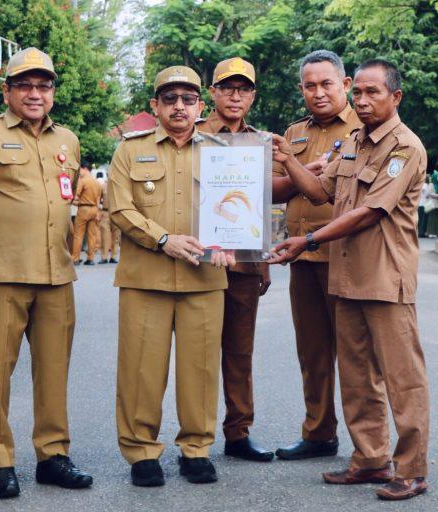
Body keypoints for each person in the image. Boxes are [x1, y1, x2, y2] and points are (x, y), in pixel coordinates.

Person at [271, 58, 430, 501]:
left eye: (372, 92)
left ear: (395, 97)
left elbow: (369, 212)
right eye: (357, 92)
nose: (361, 100)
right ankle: (370, 460)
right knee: (357, 378)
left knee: (403, 379)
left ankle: (412, 469)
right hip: (346, 277)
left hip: (385, 278)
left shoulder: (404, 147)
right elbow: (319, 191)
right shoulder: (354, 142)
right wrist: (288, 160)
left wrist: (308, 240)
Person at [0, 47, 93, 500]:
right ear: (7, 91)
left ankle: (53, 456)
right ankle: (0, 461)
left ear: (53, 93)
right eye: (24, 85)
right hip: (1, 276)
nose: (34, 94)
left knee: (54, 371)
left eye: (43, 86)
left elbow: (64, 199)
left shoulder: (67, 140)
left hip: (56, 275)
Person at [108, 65, 235, 487]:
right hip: (146, 278)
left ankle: (196, 448)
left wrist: (234, 240)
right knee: (141, 371)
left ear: (200, 106)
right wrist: (163, 239)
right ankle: (142, 452)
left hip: (205, 278)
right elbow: (120, 208)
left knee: (201, 369)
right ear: (155, 105)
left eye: (188, 99)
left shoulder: (221, 152)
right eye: (169, 99)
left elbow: (238, 206)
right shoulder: (130, 150)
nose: (179, 106)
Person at [271, 49, 363, 461]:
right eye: (310, 86)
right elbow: (272, 188)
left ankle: (368, 445)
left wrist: (299, 172)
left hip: (347, 258)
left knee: (356, 356)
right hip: (303, 260)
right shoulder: (293, 133)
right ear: (301, 89)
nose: (319, 92)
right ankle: (319, 433)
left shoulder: (365, 128)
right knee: (312, 353)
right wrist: (302, 170)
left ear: (345, 84)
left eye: (327, 83)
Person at [195, 57, 273, 462]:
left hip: (243, 264)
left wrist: (263, 262)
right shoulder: (192, 136)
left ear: (253, 95)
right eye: (227, 87)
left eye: (243, 89)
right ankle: (196, 435)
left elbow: (261, 202)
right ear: (213, 92)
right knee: (200, 353)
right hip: (202, 261)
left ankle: (238, 432)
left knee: (240, 352)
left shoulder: (261, 143)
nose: (235, 95)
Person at [70, 159, 101, 265]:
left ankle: (75, 258)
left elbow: (75, 196)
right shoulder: (96, 182)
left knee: (78, 234)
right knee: (92, 235)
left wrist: (72, 202)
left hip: (84, 209)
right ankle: (90, 258)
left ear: (83, 169)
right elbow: (98, 199)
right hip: (94, 209)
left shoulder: (82, 181)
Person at [97, 174, 120, 263]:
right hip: (105, 213)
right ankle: (104, 257)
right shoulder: (103, 186)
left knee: (116, 236)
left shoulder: (119, 185)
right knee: (104, 236)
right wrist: (98, 212)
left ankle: (113, 256)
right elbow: (98, 199)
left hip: (116, 213)